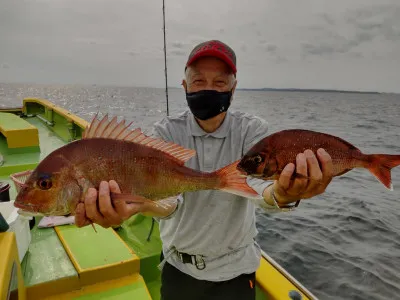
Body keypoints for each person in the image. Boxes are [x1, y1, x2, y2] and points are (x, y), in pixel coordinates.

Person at [75, 40, 334, 300]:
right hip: (179, 267)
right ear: (185, 86)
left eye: (220, 83)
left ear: (233, 89)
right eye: (198, 81)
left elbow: (260, 189)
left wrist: (284, 194)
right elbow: (170, 204)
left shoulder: (251, 131)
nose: (208, 89)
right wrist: (141, 204)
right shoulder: (166, 132)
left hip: (236, 270)